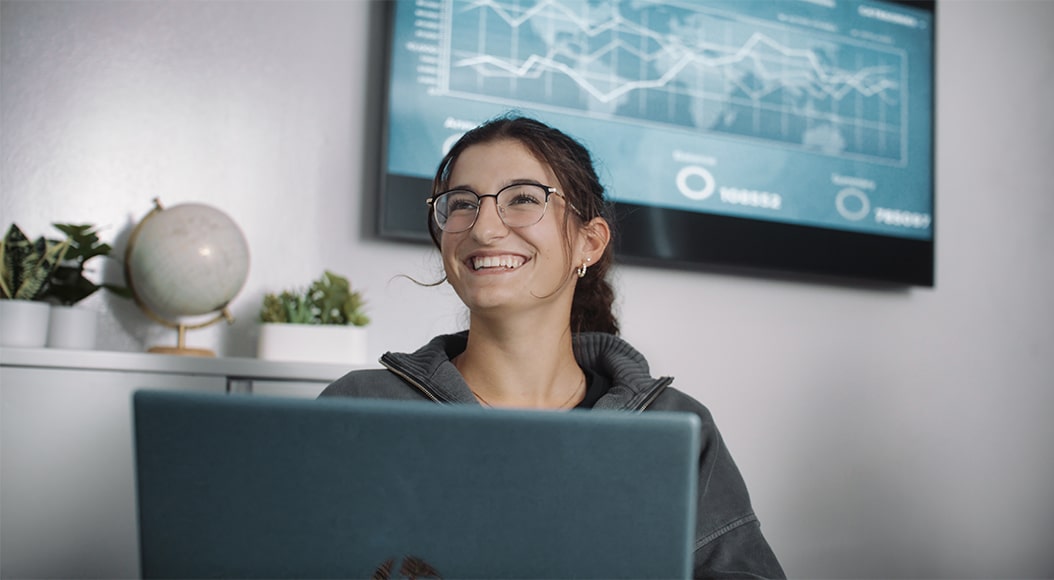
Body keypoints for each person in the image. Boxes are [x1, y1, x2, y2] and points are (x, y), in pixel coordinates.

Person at [320, 114, 785, 578]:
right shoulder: (359, 407)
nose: (482, 229)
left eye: (522, 199)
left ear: (590, 242)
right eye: (461, 203)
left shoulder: (677, 428)